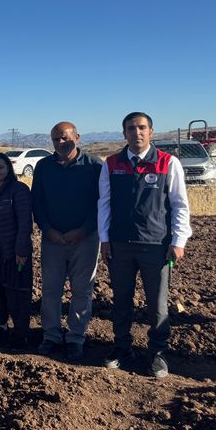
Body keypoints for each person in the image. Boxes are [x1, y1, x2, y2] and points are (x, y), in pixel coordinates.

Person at [99, 112, 191, 378]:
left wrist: (178, 240)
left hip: (156, 245)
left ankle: (157, 353)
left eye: (141, 128)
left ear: (151, 132)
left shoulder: (167, 163)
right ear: (124, 133)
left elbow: (180, 205)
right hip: (120, 245)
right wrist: (104, 239)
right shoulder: (112, 163)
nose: (136, 132)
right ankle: (122, 347)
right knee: (121, 300)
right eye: (131, 128)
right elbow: (104, 204)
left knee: (157, 304)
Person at [32, 122, 103, 362]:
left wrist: (83, 230)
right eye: (55, 139)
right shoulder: (43, 167)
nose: (60, 143)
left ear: (77, 137)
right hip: (52, 240)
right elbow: (37, 202)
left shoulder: (94, 166)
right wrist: (48, 229)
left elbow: (101, 204)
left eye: (64, 138)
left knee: (82, 290)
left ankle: (76, 338)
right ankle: (51, 335)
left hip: (85, 240)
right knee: (51, 289)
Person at [0, 152, 33, 350]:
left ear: (8, 169)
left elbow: (25, 223)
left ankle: (21, 334)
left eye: (0, 167)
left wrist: (21, 251)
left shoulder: (18, 190)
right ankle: (1, 328)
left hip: (13, 252)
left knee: (16, 293)